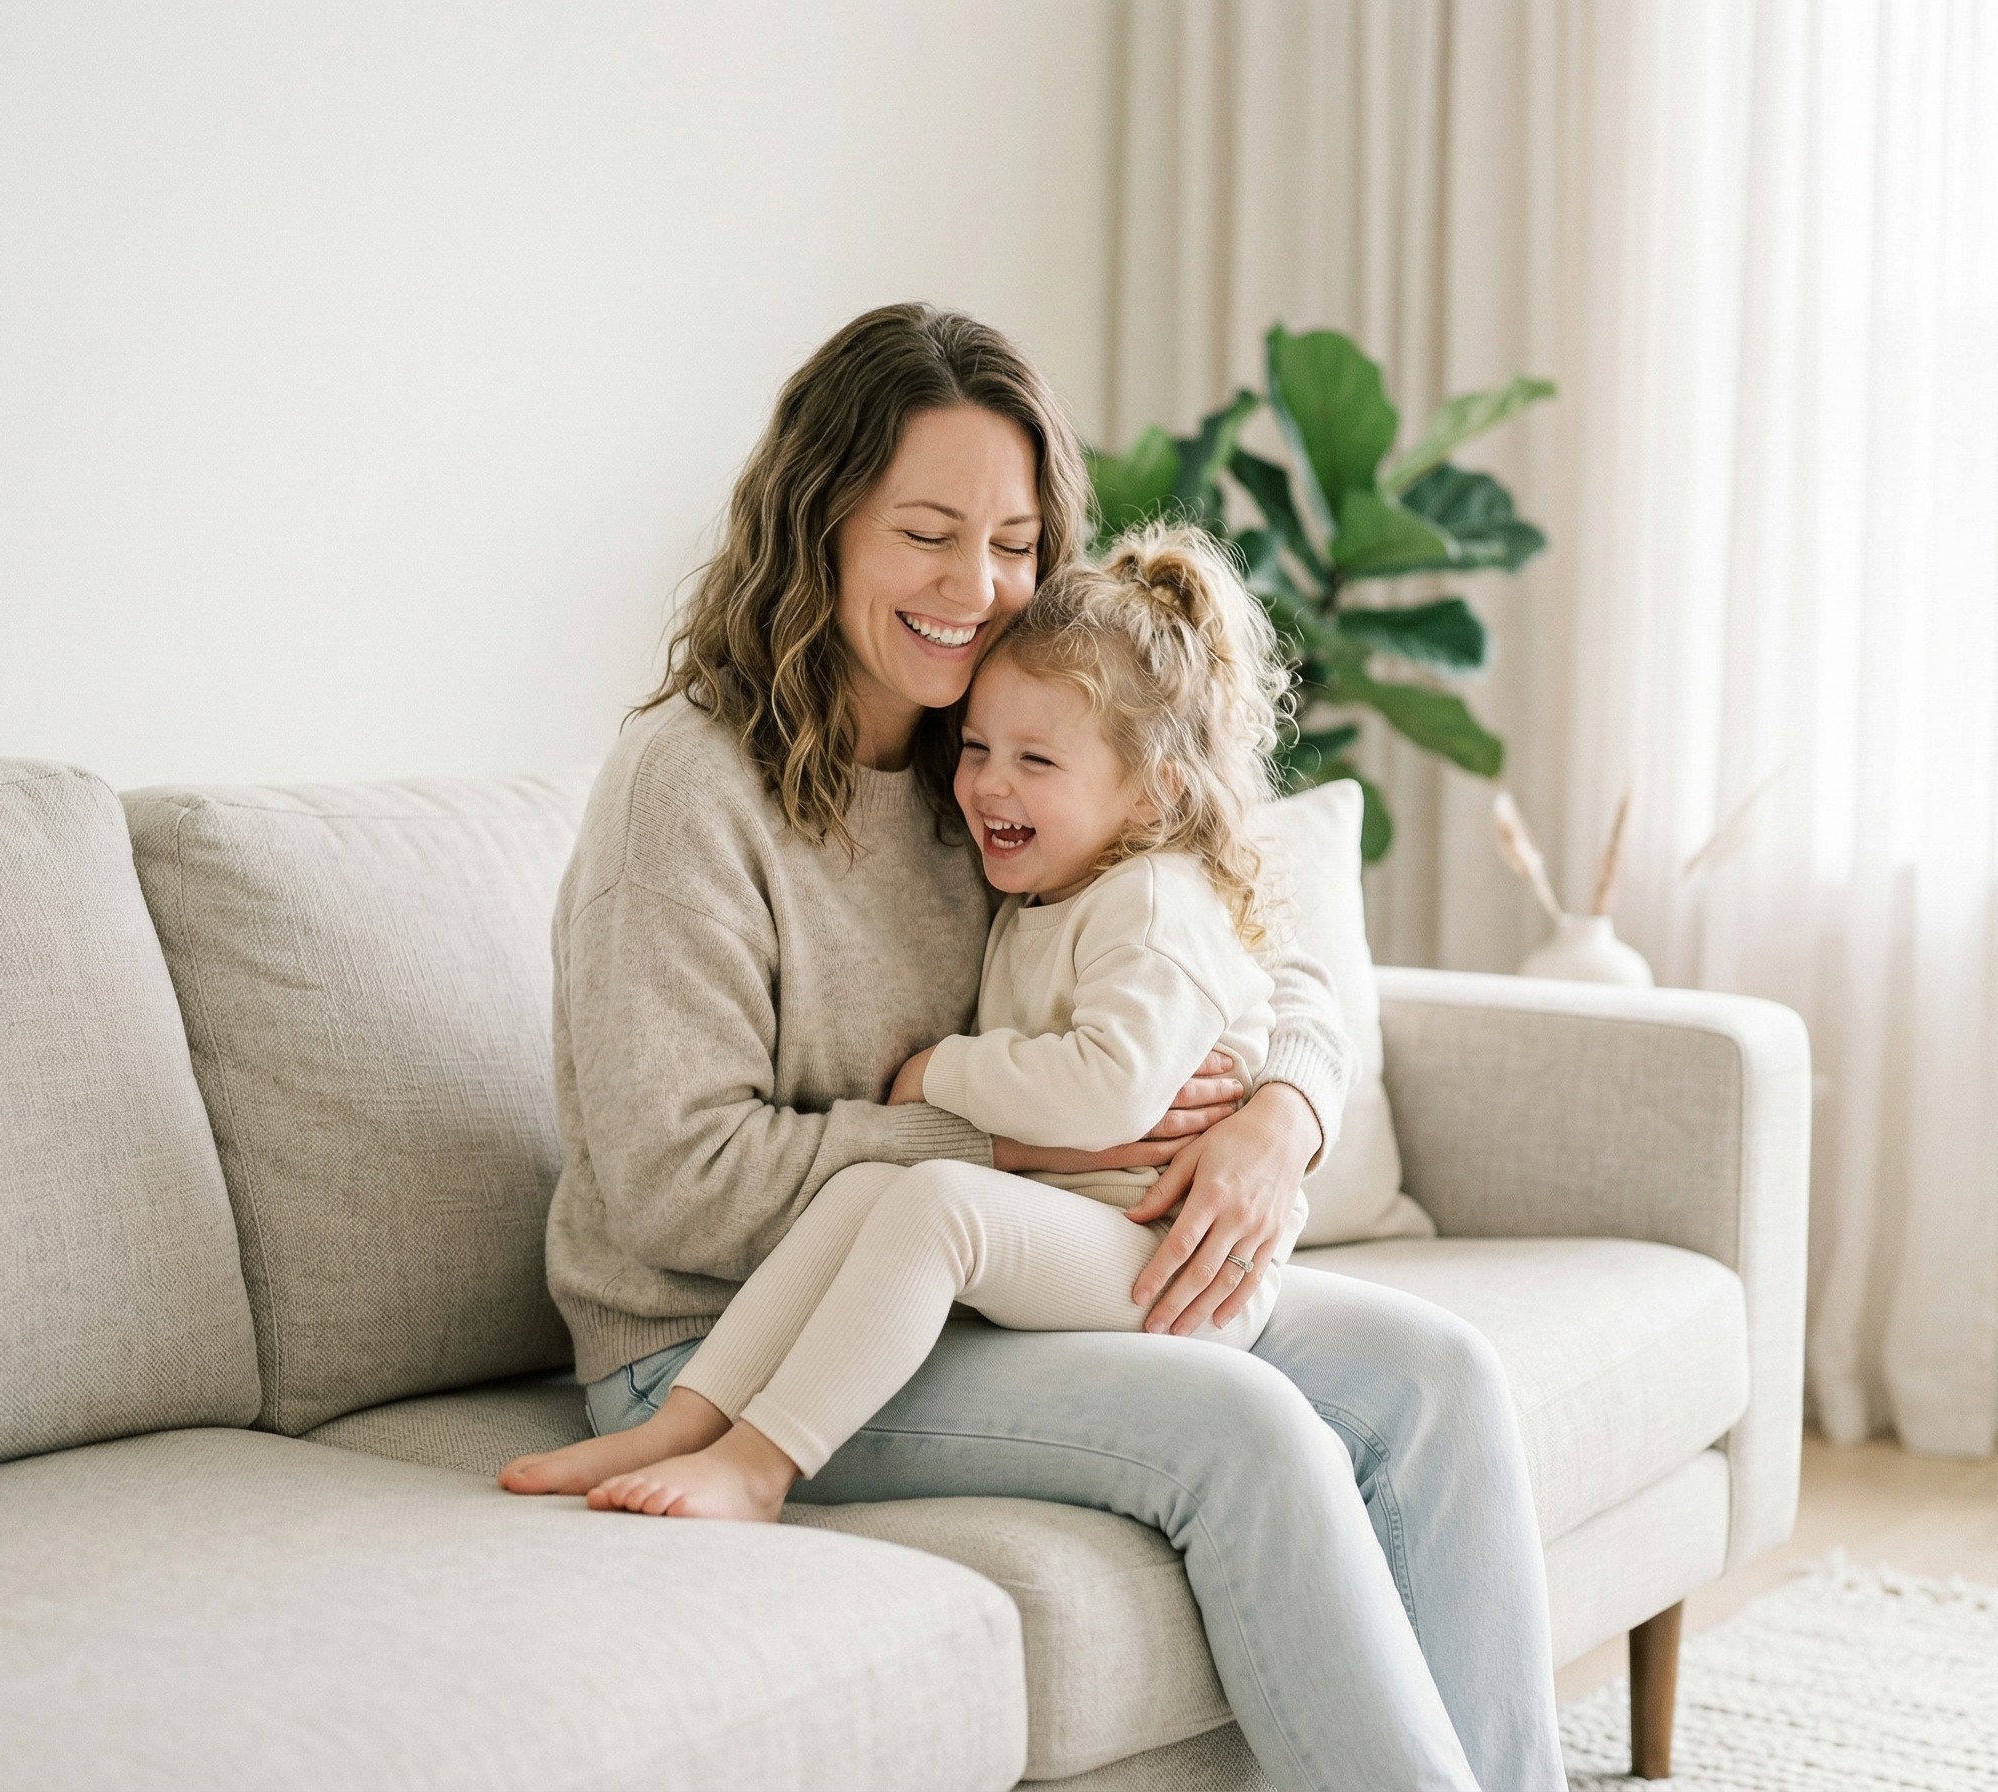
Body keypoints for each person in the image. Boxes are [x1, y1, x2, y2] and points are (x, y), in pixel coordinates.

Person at [499, 303, 1564, 1792]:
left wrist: (1279, 1117)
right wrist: (1011, 1143)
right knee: (1242, 1432)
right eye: (928, 533)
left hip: (996, 1284)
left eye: (1013, 543)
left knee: (1439, 1380)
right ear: (821, 526)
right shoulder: (690, 788)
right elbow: (677, 1184)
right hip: (726, 1346)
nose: (978, 587)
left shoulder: (1008, 742)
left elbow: (1259, 926)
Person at [545, 523, 1313, 1522]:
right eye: (981, 749)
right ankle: (689, 1416)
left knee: (936, 1202)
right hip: (1098, 1230)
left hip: (1173, 1258)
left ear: (1158, 785)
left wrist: (936, 1074)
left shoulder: (1154, 903)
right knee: (871, 1183)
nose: (989, 782)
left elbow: (1107, 1091)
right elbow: (683, 1178)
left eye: (1036, 758)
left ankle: (759, 1465)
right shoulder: (1056, 876)